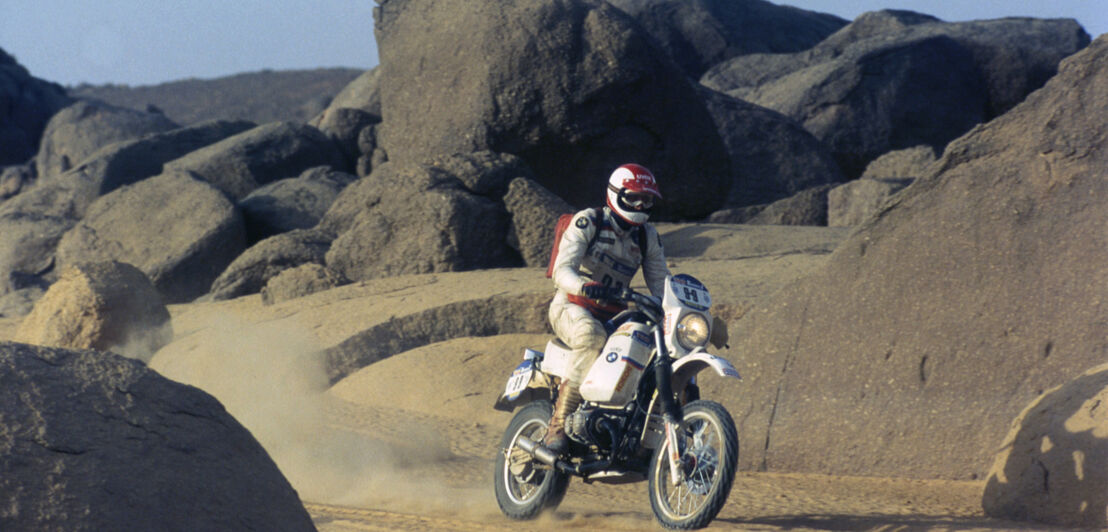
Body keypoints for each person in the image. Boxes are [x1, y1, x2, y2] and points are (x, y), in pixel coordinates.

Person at [544, 163, 670, 454]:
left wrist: (685, 310)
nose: (641, 205)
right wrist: (585, 286)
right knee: (591, 336)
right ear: (616, 194)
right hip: (572, 306)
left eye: (647, 200)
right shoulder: (588, 221)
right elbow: (562, 270)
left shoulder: (647, 236)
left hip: (614, 315)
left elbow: (662, 283)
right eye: (634, 198)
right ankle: (559, 424)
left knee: (651, 346)